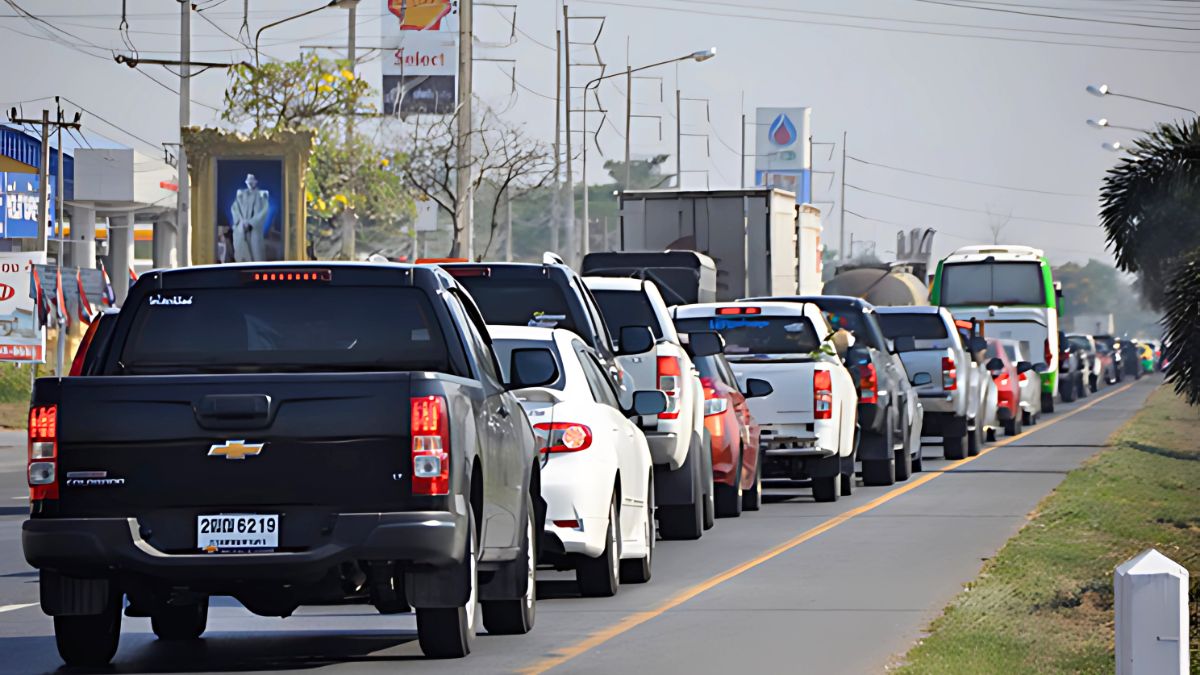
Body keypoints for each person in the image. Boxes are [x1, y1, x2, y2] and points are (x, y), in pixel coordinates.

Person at [230, 173, 271, 262]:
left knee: (256, 252)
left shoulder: (261, 197)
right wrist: (241, 222)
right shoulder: (241, 196)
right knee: (241, 250)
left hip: (254, 229)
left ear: (255, 182)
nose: (250, 183)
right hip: (242, 227)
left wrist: (251, 223)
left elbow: (264, 211)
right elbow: (234, 208)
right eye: (249, 181)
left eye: (252, 181)